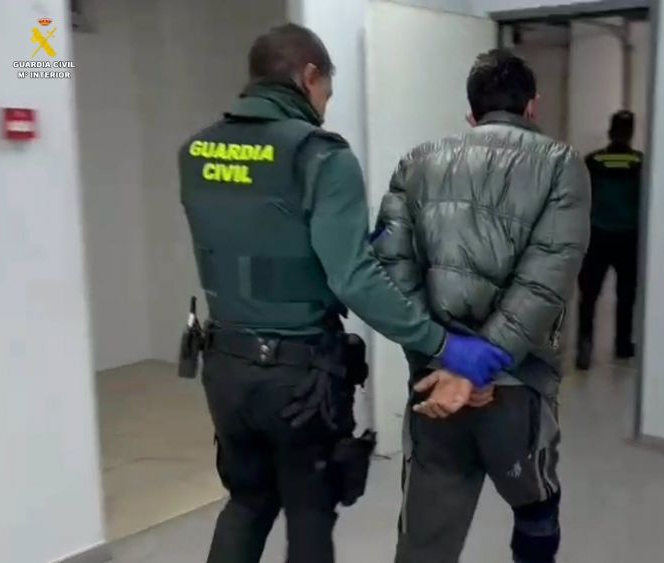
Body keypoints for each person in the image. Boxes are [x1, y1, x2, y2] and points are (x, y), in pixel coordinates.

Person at [177, 24, 511, 563]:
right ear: (308, 76)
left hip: (226, 369)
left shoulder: (195, 151)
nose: (324, 109)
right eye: (326, 93)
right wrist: (443, 345)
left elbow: (253, 236)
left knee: (247, 502)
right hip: (298, 378)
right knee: (309, 511)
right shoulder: (320, 156)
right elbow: (353, 280)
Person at [372, 49, 591, 563]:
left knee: (425, 539)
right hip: (515, 387)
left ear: (471, 114)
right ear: (532, 106)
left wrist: (445, 360)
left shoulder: (416, 162)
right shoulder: (561, 165)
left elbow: (391, 271)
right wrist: (477, 367)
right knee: (536, 508)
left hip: (433, 388)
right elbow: (545, 280)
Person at [575, 110, 644, 370]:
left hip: (598, 236)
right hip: (628, 237)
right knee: (626, 295)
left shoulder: (593, 161)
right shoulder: (639, 163)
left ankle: (584, 348)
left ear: (610, 131)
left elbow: (582, 198)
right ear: (630, 133)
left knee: (589, 295)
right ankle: (623, 344)